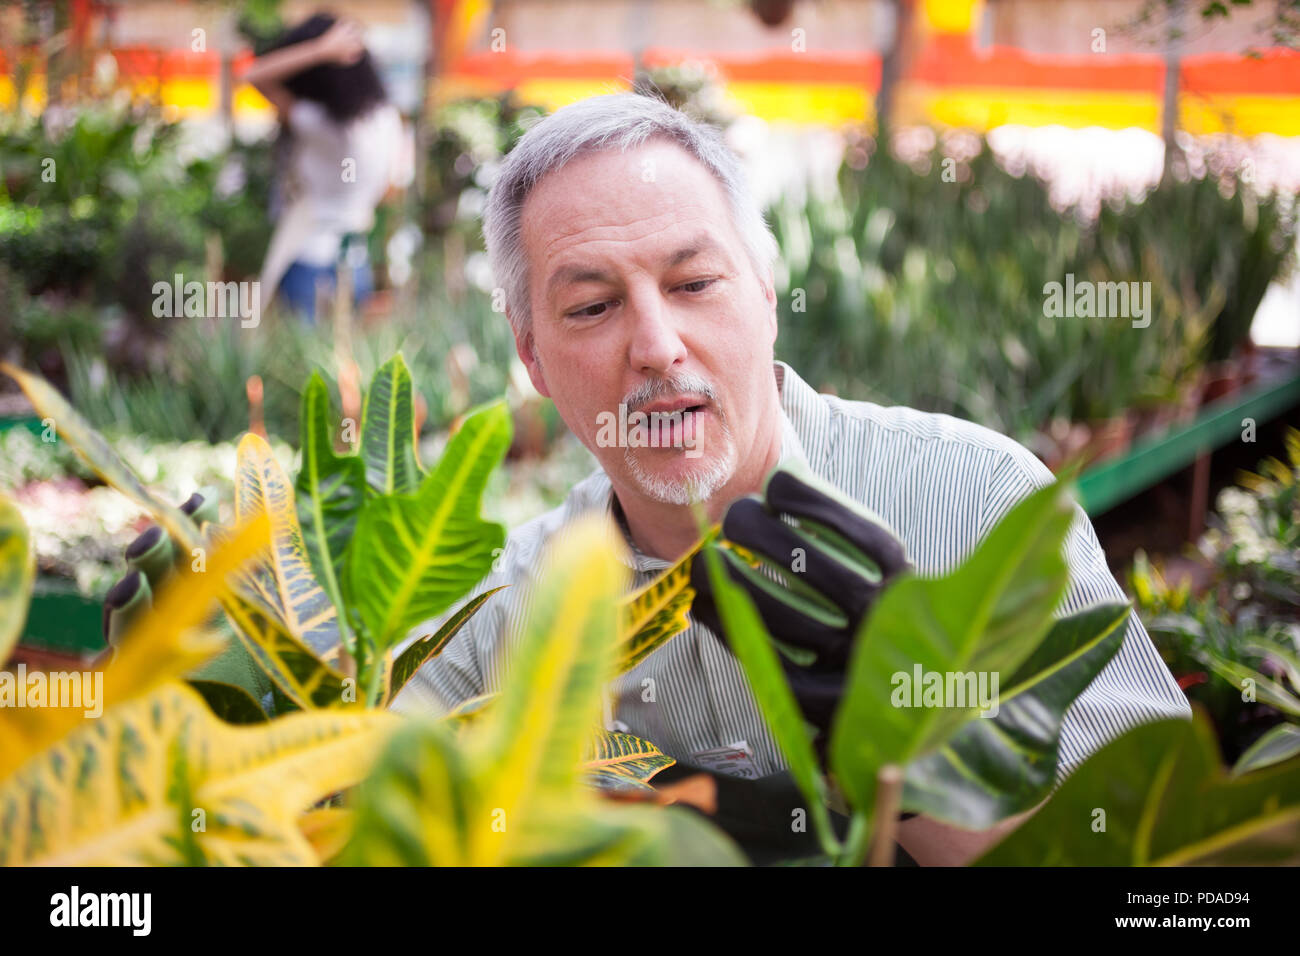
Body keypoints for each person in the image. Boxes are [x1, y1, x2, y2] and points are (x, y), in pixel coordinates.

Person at [389, 91, 1193, 864]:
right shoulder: (495, 626)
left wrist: (923, 758)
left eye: (694, 283)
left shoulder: (977, 503)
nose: (657, 345)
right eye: (593, 306)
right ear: (532, 358)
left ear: (767, 295)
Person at [243, 13, 405, 322]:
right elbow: (388, 190)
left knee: (303, 366)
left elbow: (252, 75)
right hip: (356, 260)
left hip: (308, 256)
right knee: (346, 362)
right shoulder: (387, 119)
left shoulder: (320, 124)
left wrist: (319, 50)